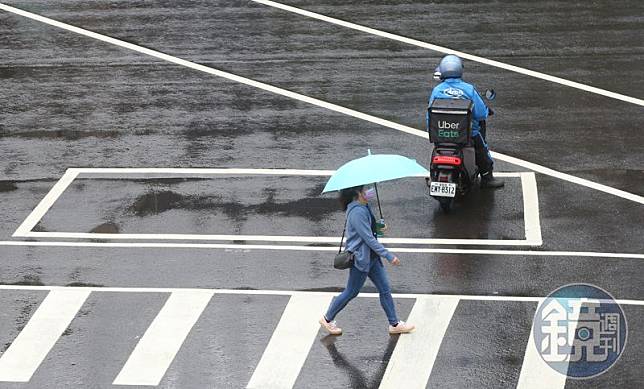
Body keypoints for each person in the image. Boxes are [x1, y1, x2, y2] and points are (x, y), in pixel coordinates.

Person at [319, 185, 415, 335]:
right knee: (351, 292)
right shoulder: (357, 212)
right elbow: (368, 238)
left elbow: (370, 230)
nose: (368, 193)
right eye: (365, 191)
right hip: (361, 259)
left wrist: (378, 227)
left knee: (384, 289)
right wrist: (388, 255)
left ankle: (394, 324)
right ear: (358, 194)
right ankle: (327, 319)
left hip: (372, 257)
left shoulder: (364, 206)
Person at [427, 54, 505, 188]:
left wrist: (431, 128)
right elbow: (480, 114)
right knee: (482, 149)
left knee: (437, 149)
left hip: (441, 133)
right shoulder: (468, 89)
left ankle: (433, 175)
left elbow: (429, 112)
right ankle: (487, 177)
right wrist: (487, 112)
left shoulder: (437, 90)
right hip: (467, 134)